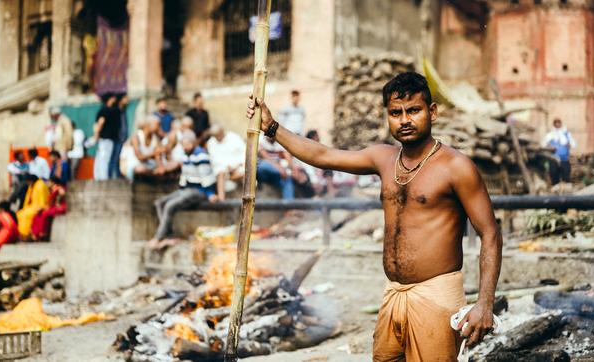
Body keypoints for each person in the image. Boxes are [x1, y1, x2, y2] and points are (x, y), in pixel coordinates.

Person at [246, 72, 502, 361]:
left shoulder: (456, 166)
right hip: (392, 293)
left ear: (432, 112)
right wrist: (273, 128)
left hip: (436, 295)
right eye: (396, 113)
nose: (404, 120)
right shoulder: (383, 158)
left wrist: (485, 303)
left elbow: (490, 233)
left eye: (413, 110)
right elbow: (323, 155)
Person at [149, 130, 225, 247]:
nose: (185, 147)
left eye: (187, 144)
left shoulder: (201, 156)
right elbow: (175, 167)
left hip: (199, 191)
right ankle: (168, 235)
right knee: (159, 203)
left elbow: (207, 178)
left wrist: (210, 194)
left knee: (170, 205)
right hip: (186, 190)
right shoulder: (185, 155)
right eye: (183, 145)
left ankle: (158, 237)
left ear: (193, 143)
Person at [120, 116, 163, 181]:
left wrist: (161, 167)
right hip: (131, 166)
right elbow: (140, 157)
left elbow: (158, 156)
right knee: (140, 170)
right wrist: (154, 154)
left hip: (147, 165)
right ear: (149, 125)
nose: (159, 128)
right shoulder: (136, 137)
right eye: (158, 125)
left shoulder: (155, 139)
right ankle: (154, 174)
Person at [207, 125, 246, 190]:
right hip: (223, 169)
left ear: (222, 132)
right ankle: (221, 200)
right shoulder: (211, 143)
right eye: (215, 136)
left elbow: (244, 152)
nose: (217, 138)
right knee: (220, 173)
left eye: (218, 135)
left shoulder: (233, 137)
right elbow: (214, 159)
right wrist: (227, 167)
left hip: (238, 166)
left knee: (245, 173)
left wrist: (236, 166)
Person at [30, 176, 67, 241]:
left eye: (49, 182)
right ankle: (35, 234)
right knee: (37, 215)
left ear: (53, 182)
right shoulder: (51, 190)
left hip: (60, 207)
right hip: (52, 207)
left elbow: (63, 193)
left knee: (45, 214)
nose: (47, 183)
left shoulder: (58, 188)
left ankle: (43, 233)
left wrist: (59, 199)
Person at [93, 94, 120, 181]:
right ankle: (103, 177)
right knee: (104, 158)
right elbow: (100, 123)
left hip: (108, 139)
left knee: (103, 157)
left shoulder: (113, 110)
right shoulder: (104, 110)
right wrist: (96, 135)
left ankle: (101, 177)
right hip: (105, 139)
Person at [543, 118, 576, 185]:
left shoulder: (566, 134)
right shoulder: (550, 134)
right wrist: (549, 146)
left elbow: (573, 144)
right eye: (556, 123)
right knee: (554, 175)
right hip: (553, 158)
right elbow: (544, 144)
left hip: (564, 158)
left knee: (566, 175)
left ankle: (566, 190)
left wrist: (569, 144)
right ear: (554, 124)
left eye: (559, 123)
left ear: (561, 124)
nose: (557, 124)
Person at [17, 174, 50, 240]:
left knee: (26, 215)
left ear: (31, 180)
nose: (27, 183)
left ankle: (25, 234)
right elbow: (28, 199)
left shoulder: (41, 185)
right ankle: (20, 234)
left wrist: (40, 208)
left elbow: (43, 201)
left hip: (39, 206)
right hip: (31, 206)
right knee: (19, 214)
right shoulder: (31, 185)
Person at [111, 94, 130, 179]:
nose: (127, 100)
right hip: (117, 138)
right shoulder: (116, 111)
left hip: (123, 139)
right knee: (115, 158)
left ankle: (120, 175)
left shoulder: (123, 111)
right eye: (126, 98)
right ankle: (115, 176)